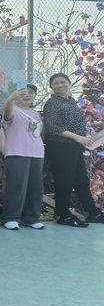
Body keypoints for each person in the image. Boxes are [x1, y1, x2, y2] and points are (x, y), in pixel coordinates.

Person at [43, 72, 104, 227]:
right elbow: (52, 128)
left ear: (69, 83)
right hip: (61, 146)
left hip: (75, 146)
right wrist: (78, 137)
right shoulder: (52, 103)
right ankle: (63, 215)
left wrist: (85, 135)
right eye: (56, 83)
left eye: (63, 82)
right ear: (51, 87)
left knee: (81, 180)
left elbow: (76, 123)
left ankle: (93, 212)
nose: (60, 85)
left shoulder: (70, 101)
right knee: (64, 180)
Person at [0, 85, 45, 230]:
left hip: (37, 153)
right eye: (23, 93)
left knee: (35, 188)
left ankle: (31, 218)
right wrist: (10, 99)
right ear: (17, 94)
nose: (27, 95)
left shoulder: (35, 113)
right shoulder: (13, 109)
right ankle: (10, 217)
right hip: (17, 152)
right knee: (16, 186)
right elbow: (7, 111)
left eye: (31, 93)